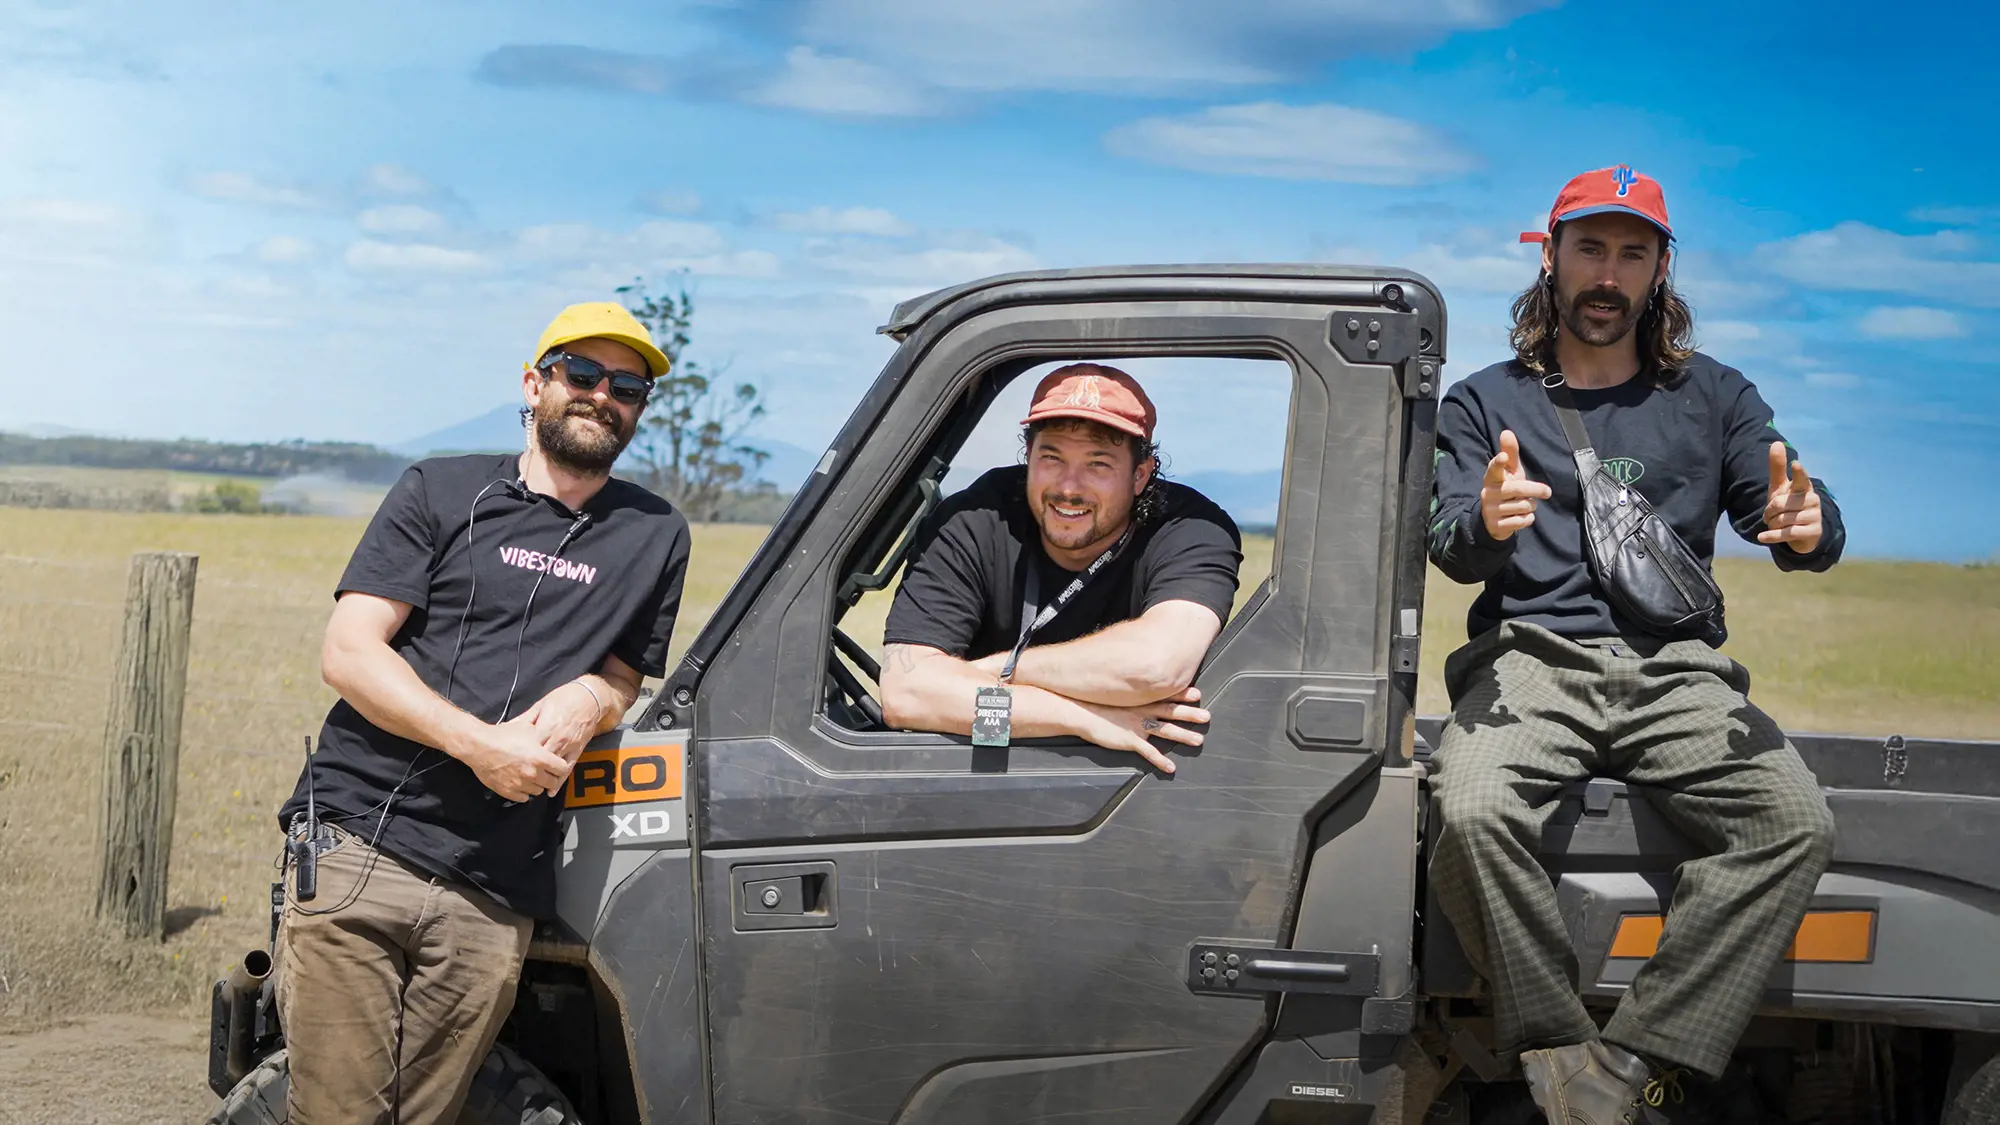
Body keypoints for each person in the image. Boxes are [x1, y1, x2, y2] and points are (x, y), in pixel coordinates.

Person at [1425, 166, 1843, 1123]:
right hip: (1532, 660)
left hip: (1678, 671)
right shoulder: (1482, 401)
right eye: (1590, 249)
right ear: (1551, 259)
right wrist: (1489, 521)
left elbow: (1786, 513)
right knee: (1474, 806)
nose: (1608, 274)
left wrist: (1810, 526)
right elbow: (1446, 546)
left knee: (1794, 823)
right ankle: (1556, 1043)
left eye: (1632, 252)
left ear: (1660, 270)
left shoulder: (1719, 396)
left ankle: (1635, 1061)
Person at [271, 302, 692, 1123]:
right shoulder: (441, 487)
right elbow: (350, 651)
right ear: (534, 385)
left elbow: (623, 674)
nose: (603, 394)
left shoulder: (656, 535)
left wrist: (589, 697)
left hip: (497, 890)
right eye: (582, 373)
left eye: (628, 385)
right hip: (364, 848)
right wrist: (480, 746)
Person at [880, 363, 1243, 772]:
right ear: (1028, 457)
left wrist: (997, 671)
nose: (1069, 488)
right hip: (978, 771)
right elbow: (905, 698)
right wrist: (1081, 719)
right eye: (1051, 457)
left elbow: (1155, 669)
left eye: (1097, 464)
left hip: (1130, 787)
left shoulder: (1191, 528)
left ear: (1141, 474)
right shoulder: (975, 517)